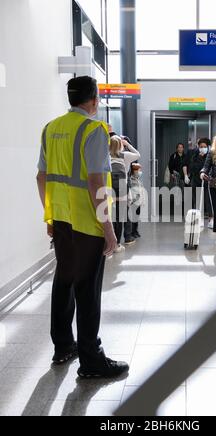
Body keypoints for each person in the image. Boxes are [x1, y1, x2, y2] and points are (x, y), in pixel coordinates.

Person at [36, 76, 129, 378]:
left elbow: (41, 177)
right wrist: (110, 229)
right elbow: (95, 181)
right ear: (93, 100)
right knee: (87, 290)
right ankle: (91, 360)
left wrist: (49, 215)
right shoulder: (94, 129)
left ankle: (63, 347)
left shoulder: (51, 128)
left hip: (61, 219)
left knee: (64, 281)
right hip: (87, 223)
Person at [110, 135, 140, 253]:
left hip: (109, 190)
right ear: (121, 145)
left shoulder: (106, 156)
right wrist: (127, 145)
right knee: (120, 217)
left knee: (109, 217)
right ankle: (118, 244)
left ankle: (110, 242)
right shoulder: (125, 156)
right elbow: (138, 154)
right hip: (123, 189)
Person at [183, 138, 214, 228]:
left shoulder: (210, 156)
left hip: (207, 182)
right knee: (197, 200)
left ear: (208, 147)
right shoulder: (195, 155)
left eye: (204, 147)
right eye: (201, 147)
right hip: (196, 181)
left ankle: (211, 219)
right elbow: (192, 167)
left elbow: (208, 167)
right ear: (198, 147)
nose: (203, 148)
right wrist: (200, 159)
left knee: (208, 200)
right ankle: (199, 219)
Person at [129, 163, 146, 239]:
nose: (140, 171)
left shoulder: (139, 180)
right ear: (134, 171)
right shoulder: (130, 180)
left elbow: (141, 191)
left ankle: (135, 231)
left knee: (137, 217)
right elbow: (131, 191)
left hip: (138, 202)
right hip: (133, 202)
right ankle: (132, 232)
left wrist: (143, 201)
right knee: (133, 217)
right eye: (139, 170)